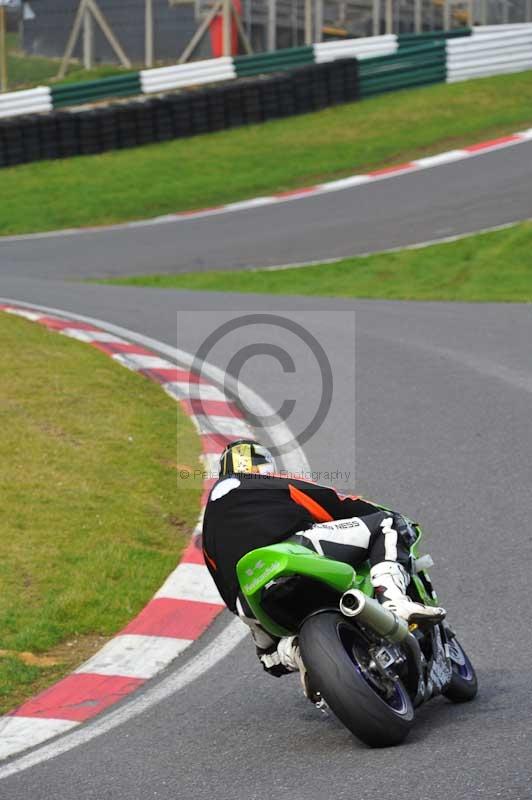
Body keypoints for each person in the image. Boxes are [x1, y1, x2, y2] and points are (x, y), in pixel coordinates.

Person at [202, 439, 445, 679]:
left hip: (248, 593)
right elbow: (334, 503)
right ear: (261, 464)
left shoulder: (208, 525)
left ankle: (299, 656)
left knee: (269, 657)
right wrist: (376, 512)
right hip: (293, 550)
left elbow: (223, 585)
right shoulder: (270, 482)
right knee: (386, 525)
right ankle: (394, 602)